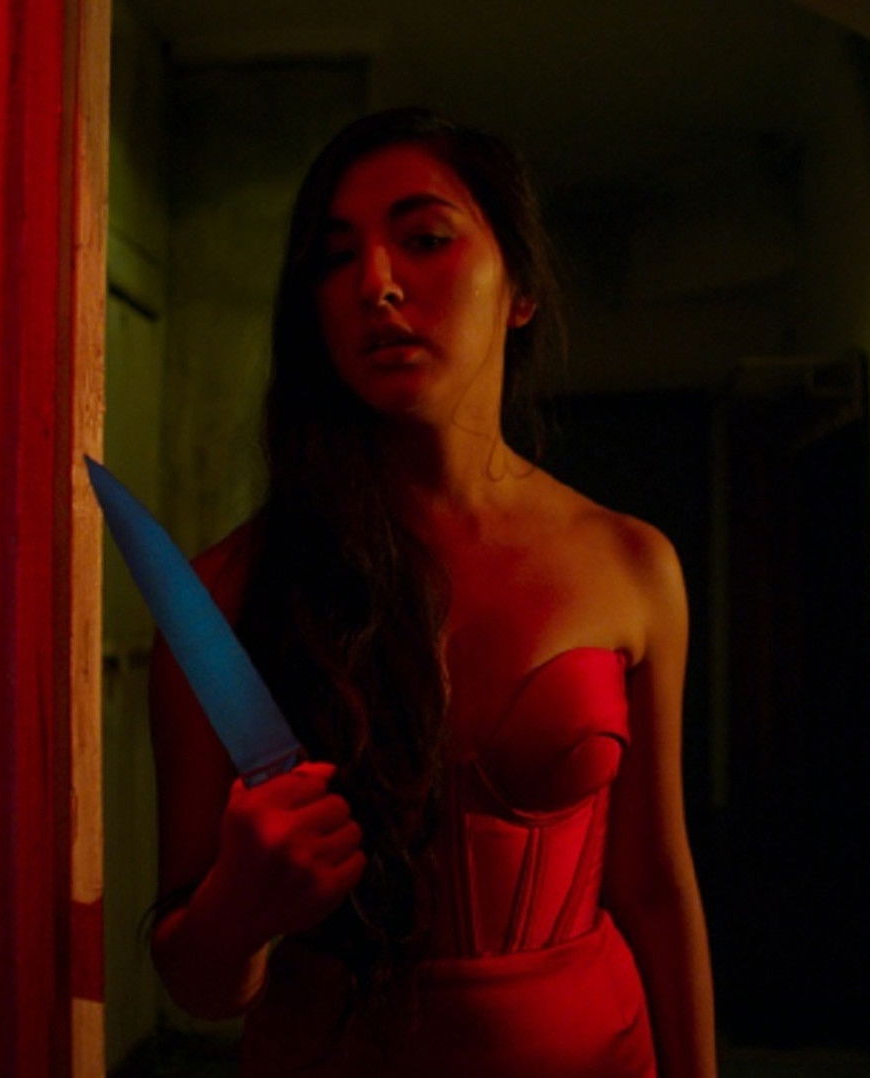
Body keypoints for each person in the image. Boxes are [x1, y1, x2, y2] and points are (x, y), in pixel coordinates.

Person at [146, 108, 716, 1078]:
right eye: (335, 257)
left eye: (424, 238)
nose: (376, 282)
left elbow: (655, 887)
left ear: (520, 288)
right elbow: (198, 985)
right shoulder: (227, 596)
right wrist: (239, 909)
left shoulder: (630, 562)